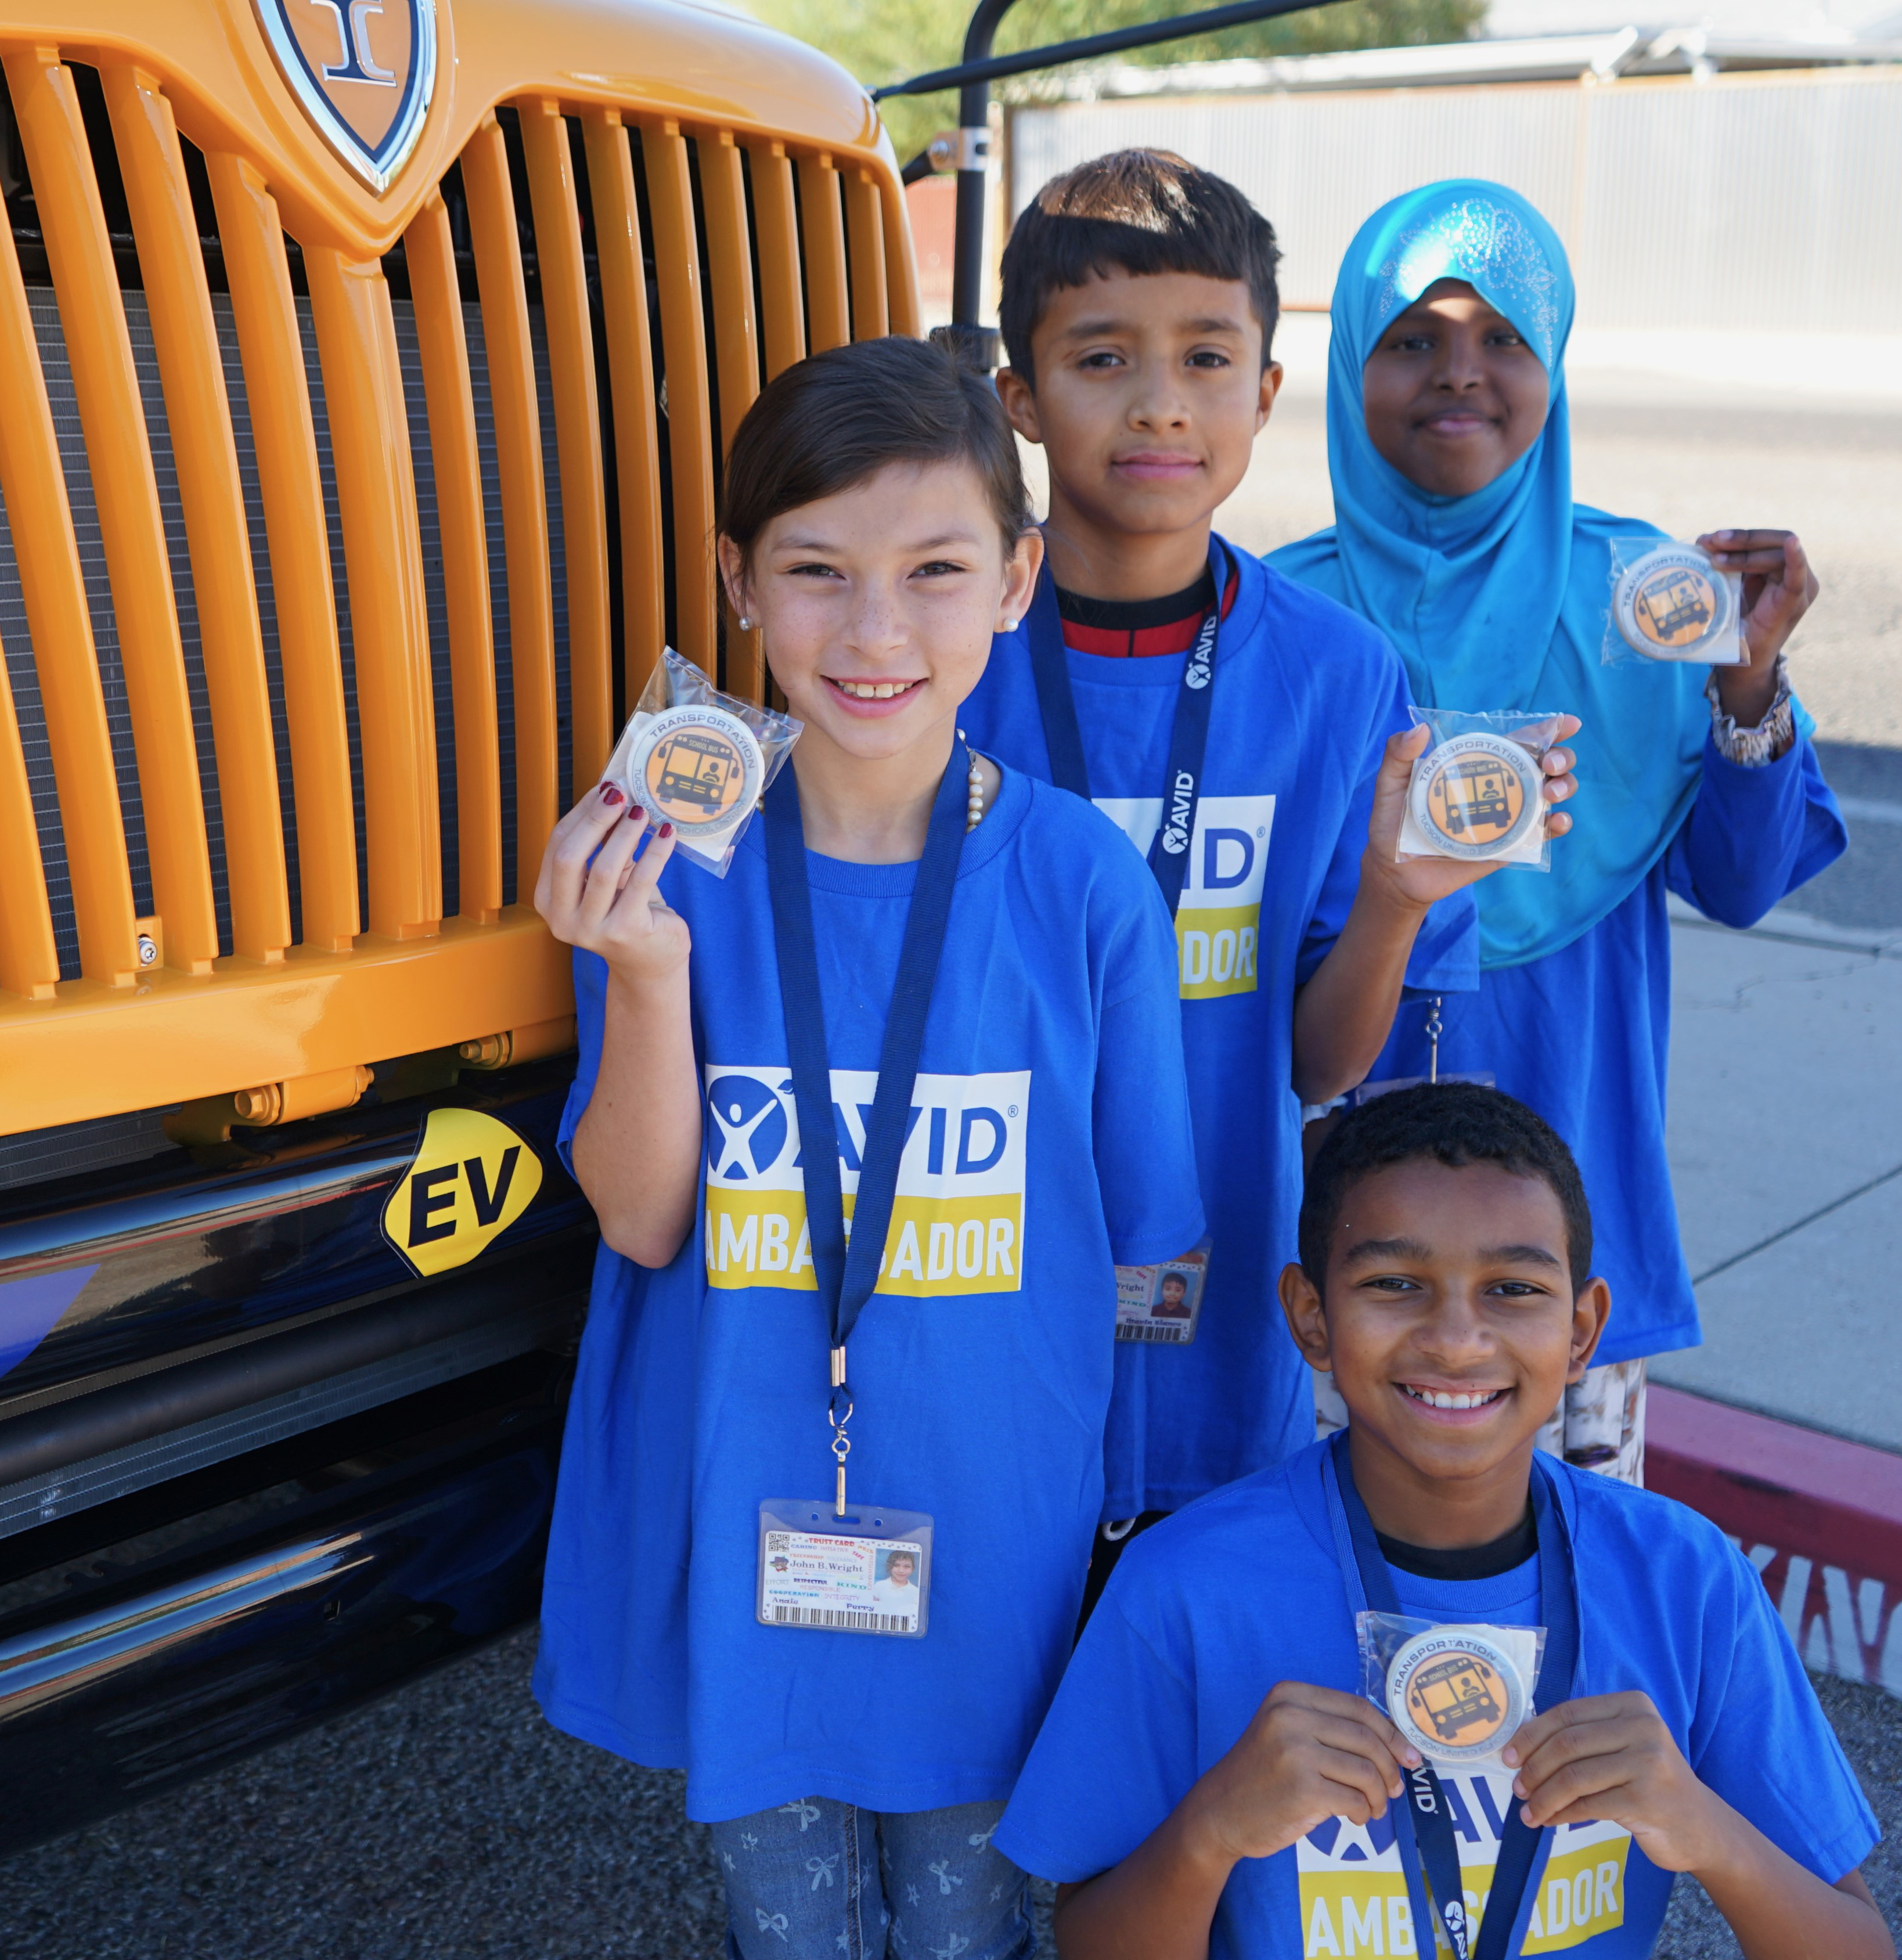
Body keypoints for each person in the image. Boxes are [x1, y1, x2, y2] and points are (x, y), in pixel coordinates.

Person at [529, 334, 1204, 1960]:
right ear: (739, 584)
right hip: (747, 1501)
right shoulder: (666, 866)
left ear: (1017, 580)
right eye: (817, 572)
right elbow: (636, 1218)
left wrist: (1118, 1513)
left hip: (990, 1531)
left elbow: (1145, 1247)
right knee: (794, 1935)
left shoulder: (1077, 885)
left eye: (936, 571)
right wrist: (646, 974)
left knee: (972, 1930)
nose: (878, 628)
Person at [966, 152, 1576, 1565]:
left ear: (1267, 391)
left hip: (1213, 1315)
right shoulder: (941, 647)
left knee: (1181, 1725)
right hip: (977, 1290)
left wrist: (1393, 898)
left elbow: (1318, 1067)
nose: (1162, 401)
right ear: (1020, 397)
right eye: (1101, 357)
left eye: (1206, 357)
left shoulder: (1341, 676)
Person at [996, 1083, 1887, 1960]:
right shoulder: (1184, 1587)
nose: (1457, 1339)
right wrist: (1211, 1830)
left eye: (1512, 1289)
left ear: (1583, 1332)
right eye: (1395, 1282)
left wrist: (1705, 1828)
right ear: (1312, 1318)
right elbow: (1093, 1938)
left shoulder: (1685, 1579)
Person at [1270, 181, 1846, 1486]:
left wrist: (1749, 685)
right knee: (1330, 1601)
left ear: (1555, 366)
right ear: (1353, 360)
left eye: (1505, 341)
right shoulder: (1282, 624)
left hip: (1567, 1233)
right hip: (1334, 1253)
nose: (1459, 375)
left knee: (1561, 1604)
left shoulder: (1639, 599)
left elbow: (1745, 883)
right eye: (1412, 338)